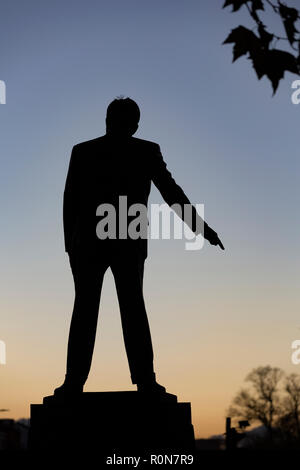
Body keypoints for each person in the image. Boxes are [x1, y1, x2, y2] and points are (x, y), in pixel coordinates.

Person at [54, 97, 224, 398]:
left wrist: (71, 245)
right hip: (112, 242)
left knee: (99, 310)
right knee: (121, 309)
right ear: (133, 124)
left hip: (106, 242)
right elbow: (71, 200)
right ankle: (133, 380)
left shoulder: (91, 151)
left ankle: (82, 382)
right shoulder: (134, 151)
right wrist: (70, 245)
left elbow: (71, 201)